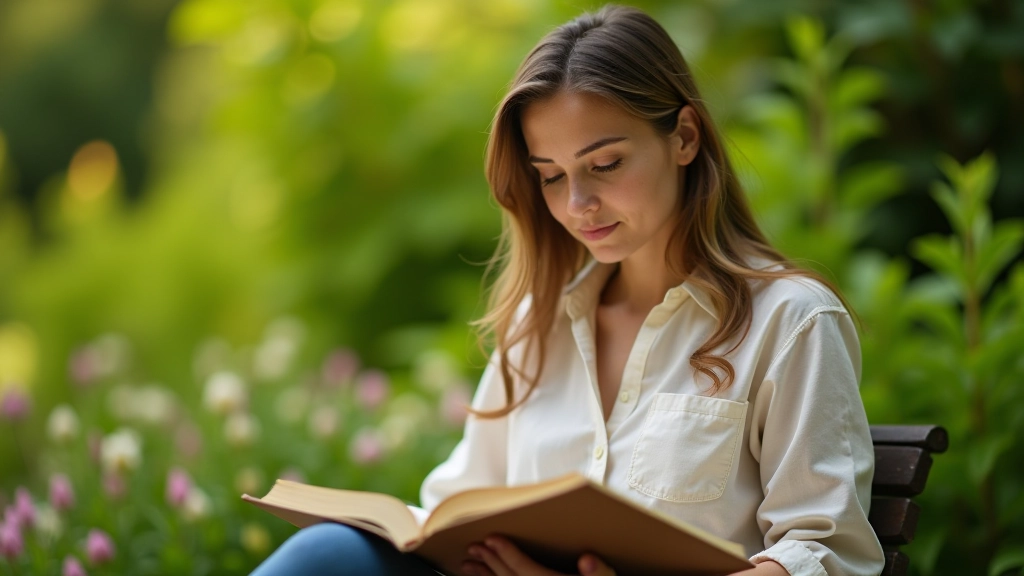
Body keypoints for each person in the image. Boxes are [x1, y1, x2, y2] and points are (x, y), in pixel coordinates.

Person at [251, 4, 885, 576]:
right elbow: (458, 506)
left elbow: (825, 556)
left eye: (604, 165)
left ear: (685, 137)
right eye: (551, 177)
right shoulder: (537, 322)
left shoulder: (789, 322)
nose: (578, 204)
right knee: (327, 554)